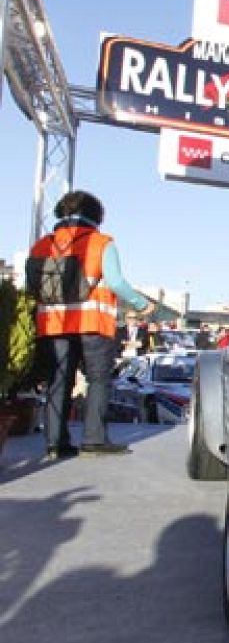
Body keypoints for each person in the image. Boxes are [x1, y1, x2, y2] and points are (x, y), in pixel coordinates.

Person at [28, 191, 156, 459]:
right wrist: (142, 304)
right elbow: (116, 281)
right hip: (92, 323)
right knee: (98, 379)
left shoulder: (42, 244)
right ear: (96, 215)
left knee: (58, 381)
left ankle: (55, 443)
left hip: (54, 325)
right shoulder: (101, 242)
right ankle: (93, 440)